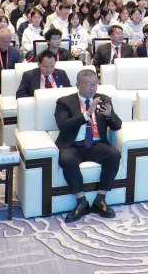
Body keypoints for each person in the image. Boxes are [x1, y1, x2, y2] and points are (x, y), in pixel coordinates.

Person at [55, 69, 121, 223]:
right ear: (78, 85)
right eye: (89, 84)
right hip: (73, 145)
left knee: (114, 154)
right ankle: (81, 202)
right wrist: (86, 114)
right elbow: (63, 125)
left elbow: (117, 125)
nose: (93, 88)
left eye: (96, 84)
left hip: (96, 144)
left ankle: (100, 199)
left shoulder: (103, 100)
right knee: (67, 160)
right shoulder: (64, 102)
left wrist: (110, 115)